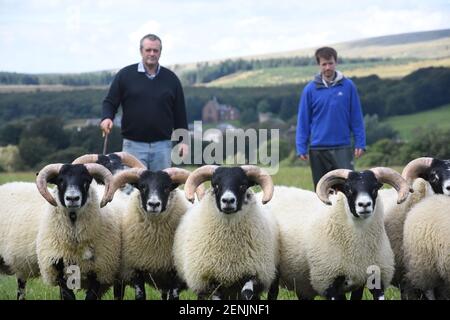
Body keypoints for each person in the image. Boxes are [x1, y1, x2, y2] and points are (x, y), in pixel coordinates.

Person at [100, 33, 189, 171]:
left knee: (161, 190)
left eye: (155, 50)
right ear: (141, 51)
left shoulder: (171, 79)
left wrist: (183, 141)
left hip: (162, 147)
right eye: (148, 50)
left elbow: (180, 114)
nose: (152, 53)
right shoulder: (125, 75)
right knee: (131, 190)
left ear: (160, 52)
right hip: (133, 146)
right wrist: (107, 117)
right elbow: (110, 102)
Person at [296, 46, 366, 189]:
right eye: (324, 64)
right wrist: (301, 146)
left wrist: (360, 142)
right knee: (322, 190)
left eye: (330, 63)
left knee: (347, 188)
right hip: (318, 149)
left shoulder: (348, 86)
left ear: (336, 62)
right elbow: (303, 120)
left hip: (342, 147)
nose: (328, 67)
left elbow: (356, 116)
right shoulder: (310, 89)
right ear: (319, 65)